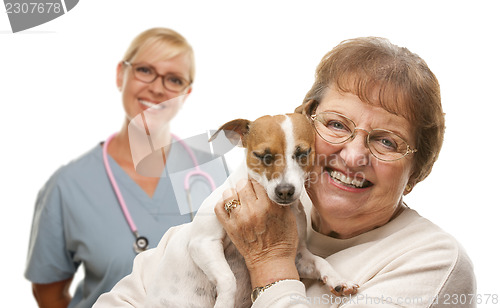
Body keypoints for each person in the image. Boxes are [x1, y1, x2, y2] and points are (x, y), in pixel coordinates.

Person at [93, 37, 476, 307]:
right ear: (304, 127)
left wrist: (271, 260)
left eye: (387, 142)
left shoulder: (434, 262)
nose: (353, 155)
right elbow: (125, 297)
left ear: (417, 171)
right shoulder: (248, 201)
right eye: (337, 125)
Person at [25, 27, 228, 308]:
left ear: (186, 93)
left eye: (174, 79)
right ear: (121, 74)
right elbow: (48, 293)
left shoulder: (211, 170)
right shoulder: (67, 186)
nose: (157, 88)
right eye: (145, 70)